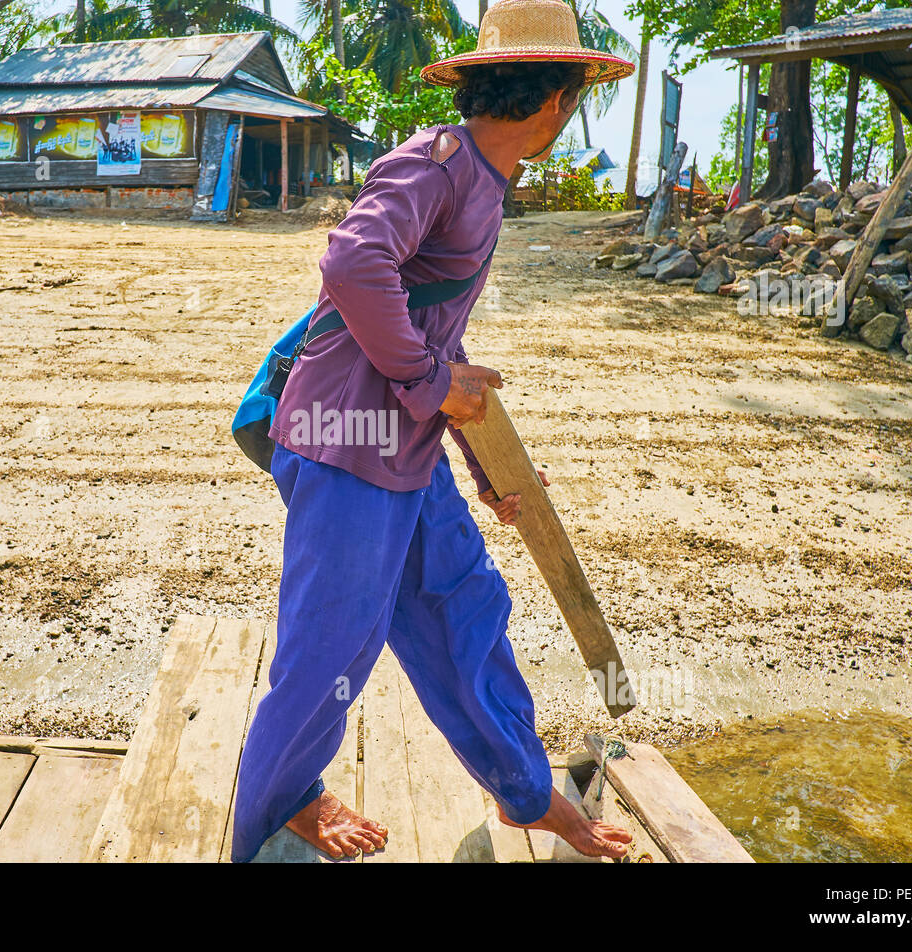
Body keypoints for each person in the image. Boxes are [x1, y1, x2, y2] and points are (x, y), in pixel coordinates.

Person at [231, 0, 637, 864]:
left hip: (406, 449)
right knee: (328, 654)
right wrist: (429, 384)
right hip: (346, 444)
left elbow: (430, 335)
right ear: (555, 100)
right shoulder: (440, 163)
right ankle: (271, 821)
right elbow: (350, 262)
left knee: (465, 610)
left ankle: (527, 793)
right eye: (574, 100)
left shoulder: (480, 183)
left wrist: (473, 450)